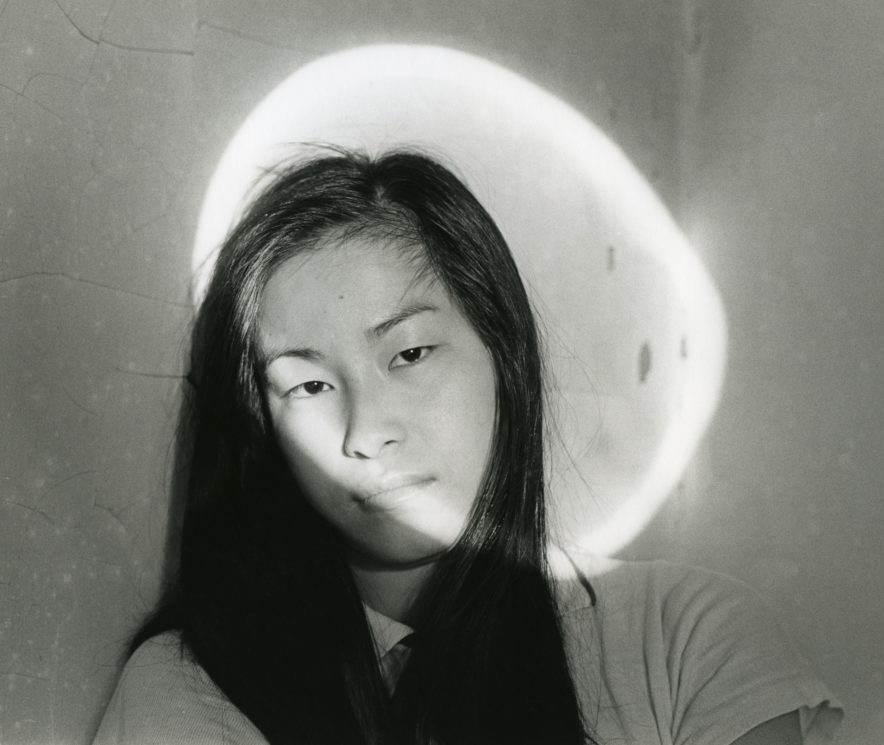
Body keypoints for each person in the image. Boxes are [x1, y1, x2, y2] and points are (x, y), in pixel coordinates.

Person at [93, 148, 842, 745]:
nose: (366, 432)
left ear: (501, 354)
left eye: (409, 355)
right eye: (310, 387)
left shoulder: (683, 640)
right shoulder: (189, 691)